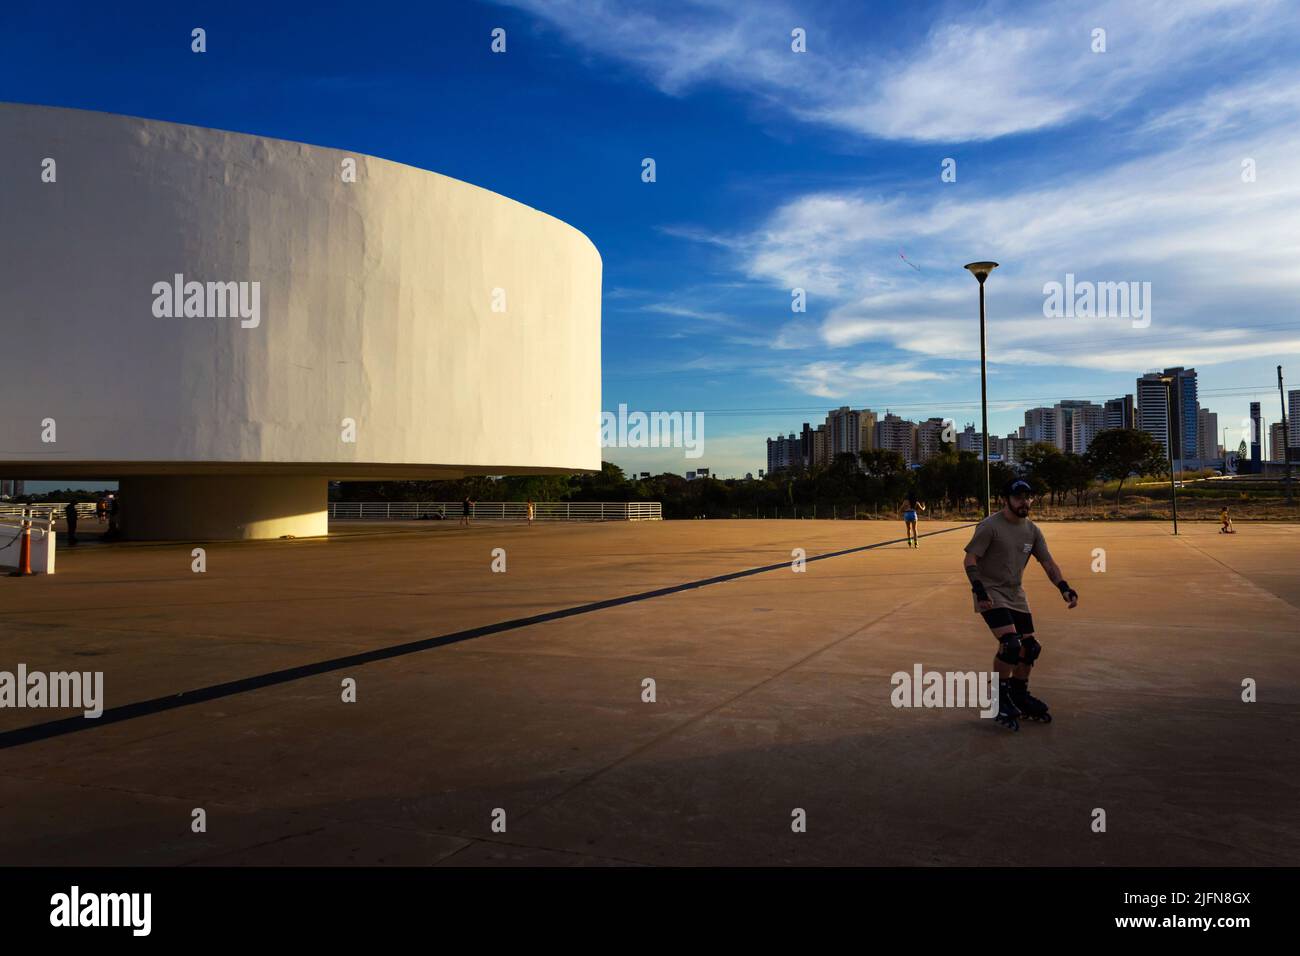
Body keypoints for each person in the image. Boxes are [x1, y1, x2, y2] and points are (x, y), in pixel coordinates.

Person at [962, 478, 1078, 731]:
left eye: (1028, 497)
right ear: (1007, 499)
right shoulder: (990, 526)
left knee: (1030, 647)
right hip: (990, 592)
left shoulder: (1033, 531)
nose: (1025, 502)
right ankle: (999, 699)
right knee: (1010, 644)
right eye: (1019, 497)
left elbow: (1048, 563)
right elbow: (970, 559)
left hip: (1015, 594)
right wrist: (979, 589)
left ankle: (1019, 694)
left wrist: (1064, 587)